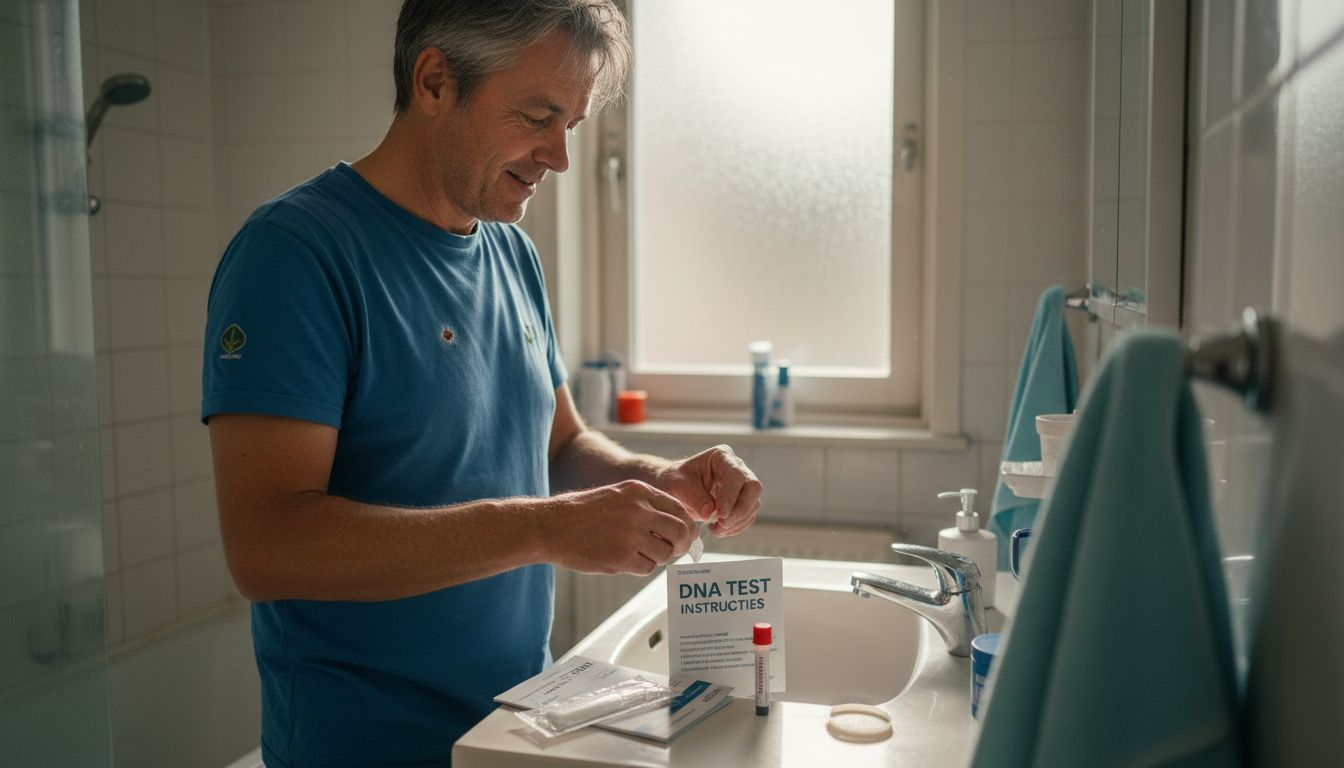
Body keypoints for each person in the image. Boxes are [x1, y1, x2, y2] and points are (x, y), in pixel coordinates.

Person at [201, 1, 762, 765]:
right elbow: (266, 548)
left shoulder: (510, 252)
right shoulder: (295, 255)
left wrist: (658, 478)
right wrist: (543, 527)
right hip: (363, 746)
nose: (559, 156)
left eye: (572, 121)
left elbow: (560, 444)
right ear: (434, 81)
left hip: (512, 726)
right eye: (537, 115)